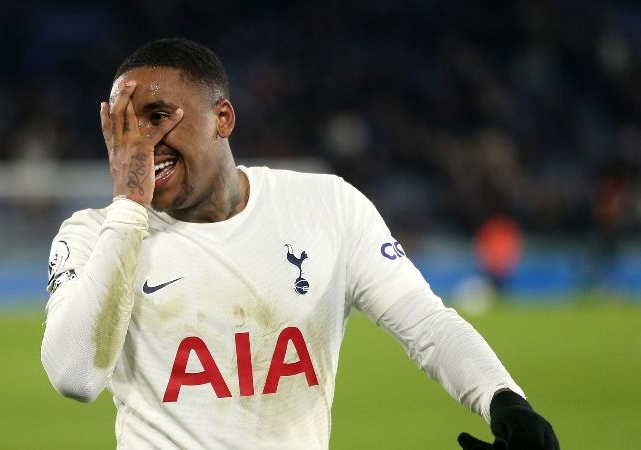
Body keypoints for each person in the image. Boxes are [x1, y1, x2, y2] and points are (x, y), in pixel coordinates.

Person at [40, 38, 559, 449]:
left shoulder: (327, 206)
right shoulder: (94, 235)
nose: (141, 144)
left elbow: (426, 324)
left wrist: (505, 400)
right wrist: (130, 208)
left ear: (223, 118)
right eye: (125, 128)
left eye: (157, 118)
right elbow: (74, 376)